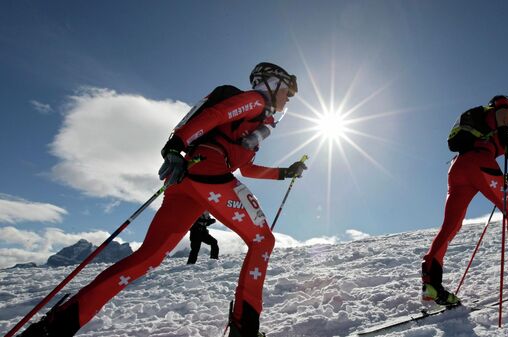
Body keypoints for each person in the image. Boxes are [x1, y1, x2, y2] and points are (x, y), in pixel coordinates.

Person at [18, 62, 307, 337]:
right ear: (272, 84)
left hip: (188, 182)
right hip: (208, 173)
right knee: (262, 240)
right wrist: (175, 145)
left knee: (149, 256)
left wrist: (285, 172)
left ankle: (58, 325)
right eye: (287, 93)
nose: (288, 101)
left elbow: (247, 168)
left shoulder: (254, 127)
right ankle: (245, 328)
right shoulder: (254, 101)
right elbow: (215, 115)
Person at [421, 95, 508, 306]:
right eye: (507, 115)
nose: (507, 119)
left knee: (451, 225)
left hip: (458, 169)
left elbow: (483, 146)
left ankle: (431, 283)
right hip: (480, 164)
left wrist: (500, 174)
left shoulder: (479, 124)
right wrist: (504, 137)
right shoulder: (495, 116)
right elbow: (493, 140)